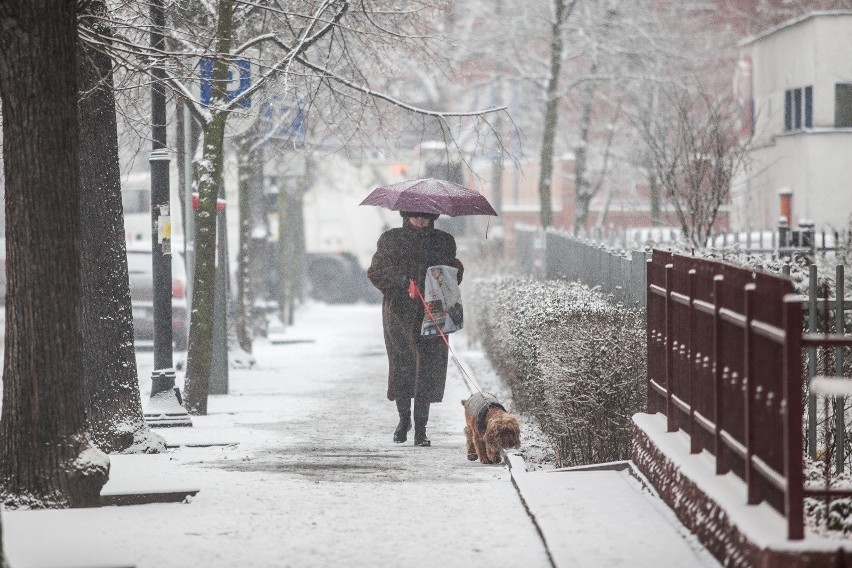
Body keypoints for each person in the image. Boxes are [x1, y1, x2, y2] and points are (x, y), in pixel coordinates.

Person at [367, 211, 464, 446]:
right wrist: (401, 282)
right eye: (415, 217)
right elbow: (376, 272)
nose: (420, 222)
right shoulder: (391, 240)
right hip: (399, 313)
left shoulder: (443, 241)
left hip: (433, 312)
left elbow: (455, 272)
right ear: (405, 216)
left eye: (425, 218)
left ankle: (421, 428)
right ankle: (403, 420)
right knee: (403, 365)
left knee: (428, 369)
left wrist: (443, 275)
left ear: (433, 217)